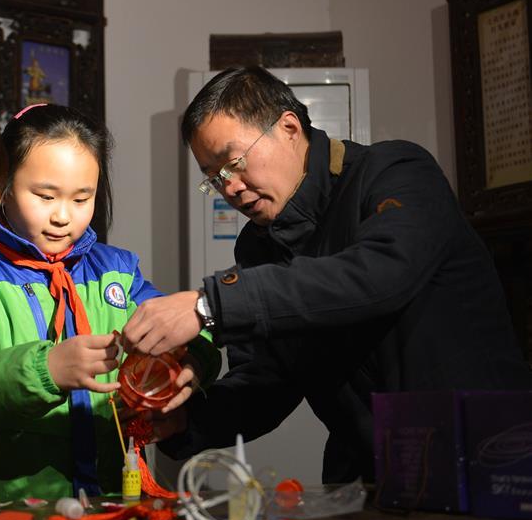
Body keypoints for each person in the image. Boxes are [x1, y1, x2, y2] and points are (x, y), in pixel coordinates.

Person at [121, 66, 532, 483]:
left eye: (234, 163)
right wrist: (185, 421)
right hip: (366, 479)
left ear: (288, 127)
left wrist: (209, 305)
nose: (230, 188)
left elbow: (380, 275)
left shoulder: (396, 171)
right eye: (215, 178)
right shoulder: (257, 246)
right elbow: (268, 380)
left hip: (481, 460)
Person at [0, 104, 219, 502]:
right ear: (1, 185)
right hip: (0, 510)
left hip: (108, 504)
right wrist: (47, 370)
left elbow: (184, 332)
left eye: (81, 199)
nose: (63, 216)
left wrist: (191, 364)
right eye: (45, 195)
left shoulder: (118, 274)